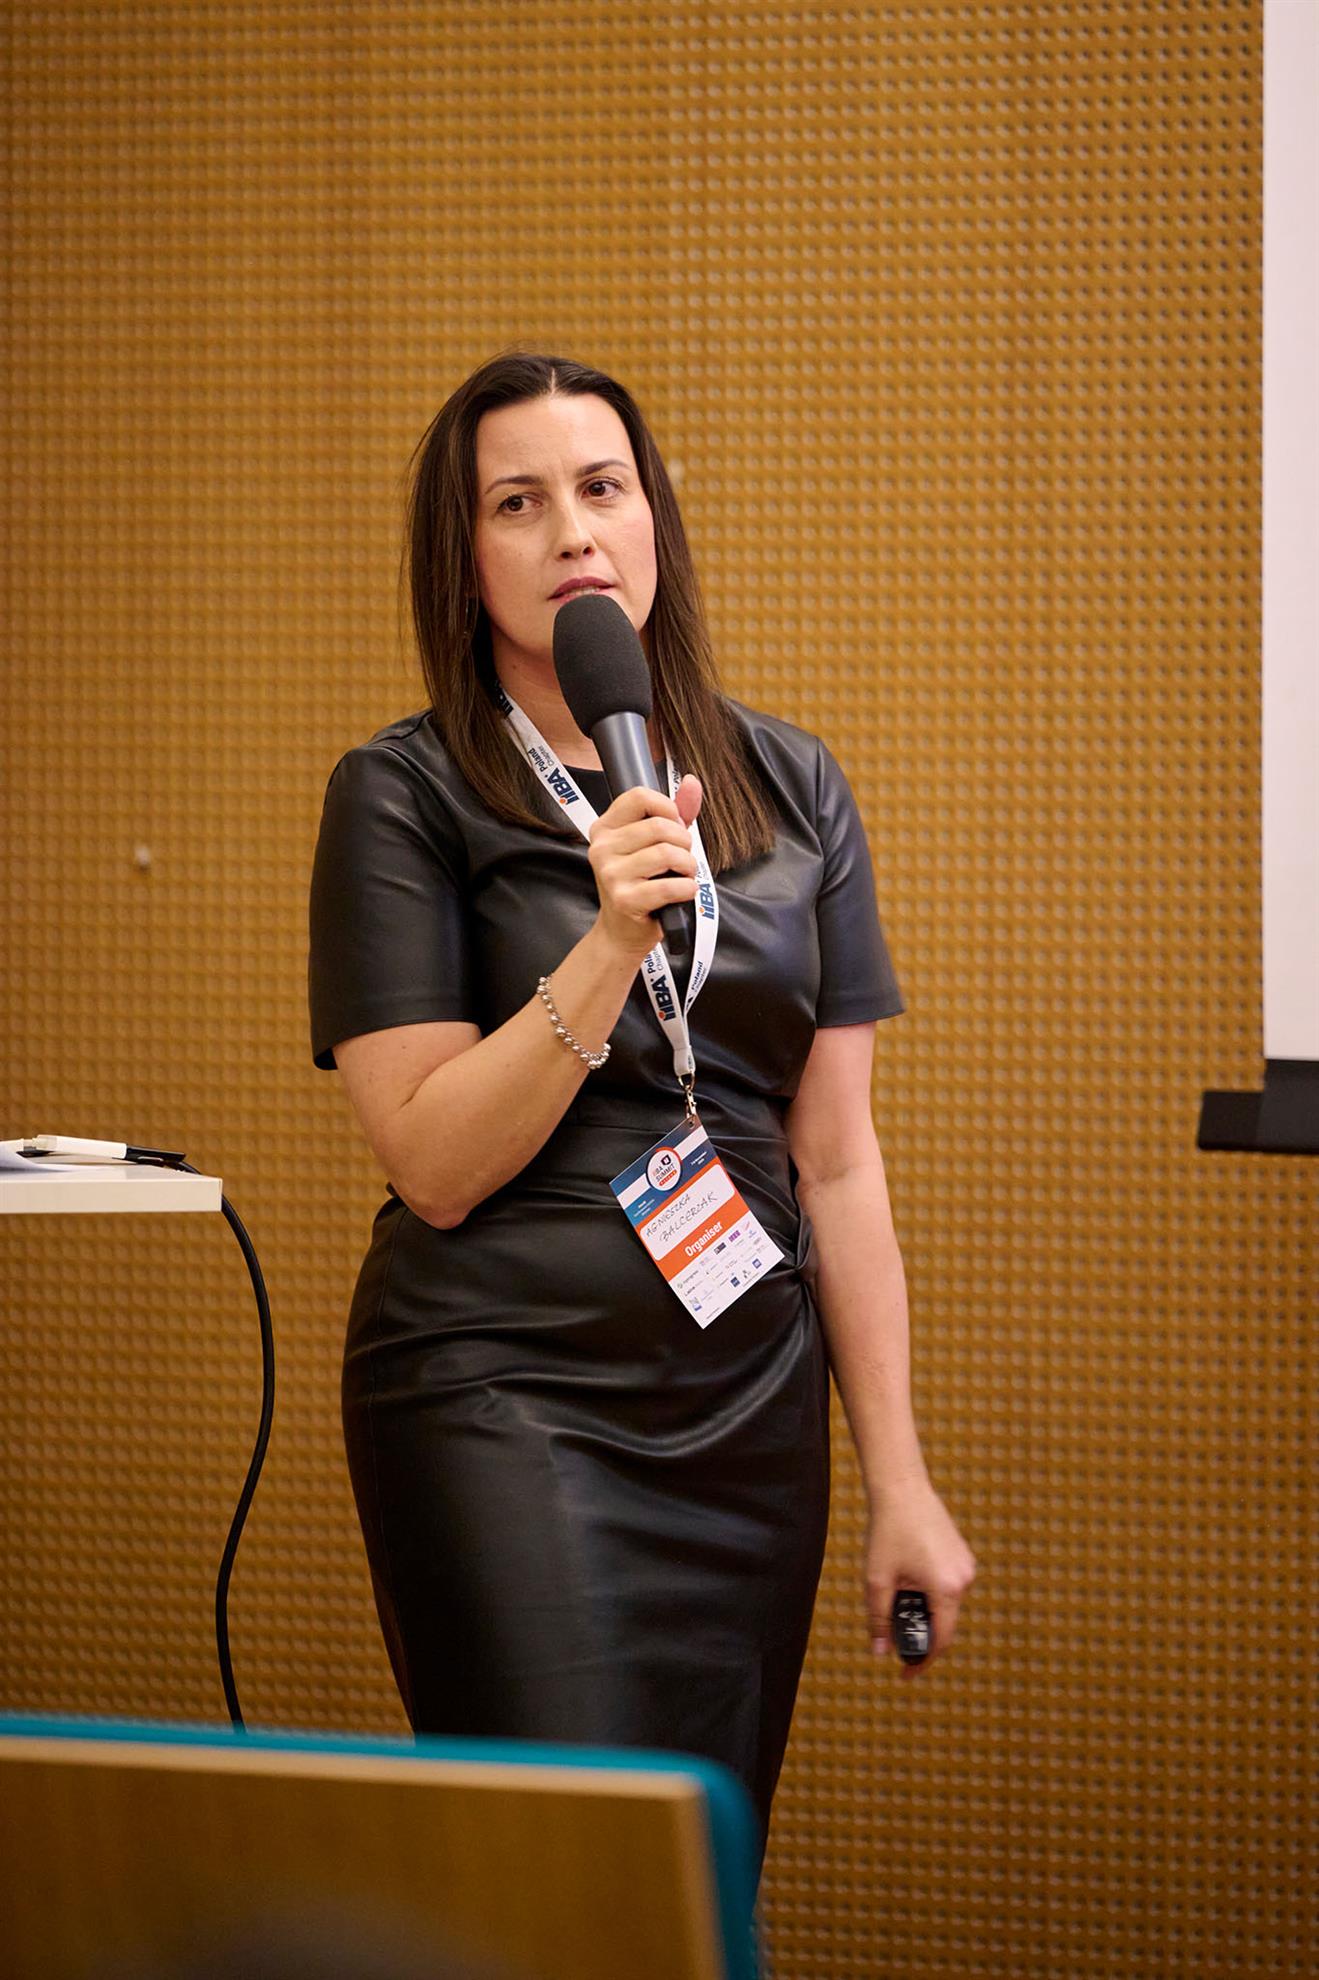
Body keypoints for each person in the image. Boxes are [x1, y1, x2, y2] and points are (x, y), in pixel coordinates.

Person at [308, 349, 976, 1873]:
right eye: (518, 503)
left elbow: (839, 1166)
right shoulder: (403, 791)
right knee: (568, 1880)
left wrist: (902, 1481)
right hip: (502, 1392)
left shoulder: (792, 783)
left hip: (747, 1416)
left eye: (602, 487)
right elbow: (432, 1163)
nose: (572, 533)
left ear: (653, 517)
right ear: (464, 558)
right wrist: (610, 942)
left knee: (693, 1873)